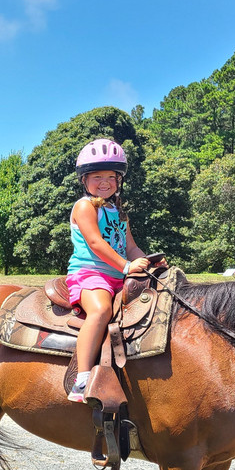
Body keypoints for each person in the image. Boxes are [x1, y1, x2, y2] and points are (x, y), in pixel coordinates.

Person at [65, 138, 164, 403]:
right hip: (90, 273)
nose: (105, 182)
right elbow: (96, 243)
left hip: (118, 275)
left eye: (111, 176)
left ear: (119, 180)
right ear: (84, 179)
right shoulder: (85, 206)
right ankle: (82, 379)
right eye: (97, 176)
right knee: (100, 311)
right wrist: (126, 266)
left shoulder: (118, 210)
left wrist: (148, 262)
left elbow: (130, 247)